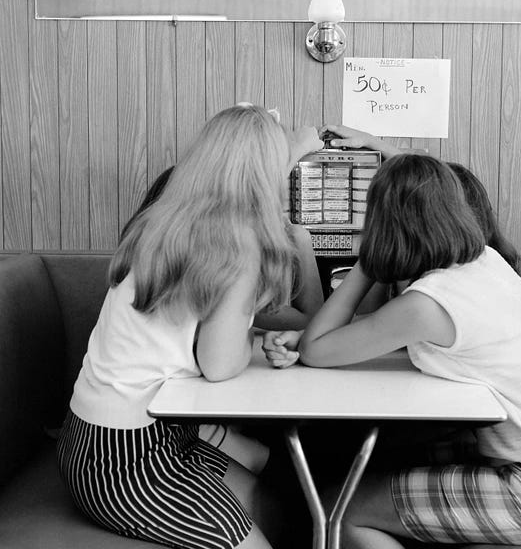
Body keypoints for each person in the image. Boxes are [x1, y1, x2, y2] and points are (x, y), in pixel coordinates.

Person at [262, 153, 521, 547]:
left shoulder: (428, 303)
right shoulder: (482, 263)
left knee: (340, 509)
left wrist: (369, 262)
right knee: (375, 460)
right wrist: (303, 341)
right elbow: (360, 336)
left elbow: (321, 350)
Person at [57, 104, 323, 549]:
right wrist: (250, 341)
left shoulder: (162, 223)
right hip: (128, 462)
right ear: (266, 174)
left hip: (100, 436)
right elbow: (218, 366)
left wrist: (256, 338)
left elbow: (190, 339)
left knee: (270, 497)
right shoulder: (238, 245)